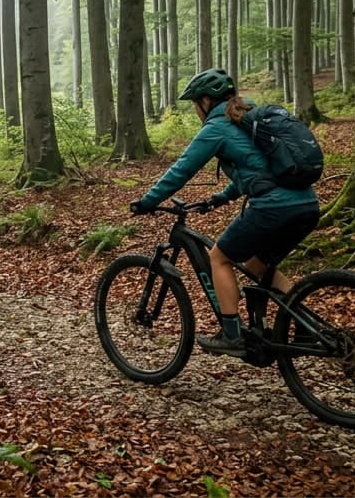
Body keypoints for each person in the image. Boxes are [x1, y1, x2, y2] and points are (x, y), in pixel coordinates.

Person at [129, 69, 320, 357]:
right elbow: (259, 171)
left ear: (206, 101)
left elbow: (182, 169)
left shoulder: (217, 127)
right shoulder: (248, 117)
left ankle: (232, 335)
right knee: (257, 268)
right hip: (306, 205)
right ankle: (306, 326)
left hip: (274, 208)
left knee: (219, 257)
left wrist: (147, 201)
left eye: (195, 104)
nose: (196, 110)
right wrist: (219, 198)